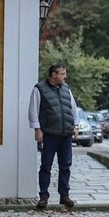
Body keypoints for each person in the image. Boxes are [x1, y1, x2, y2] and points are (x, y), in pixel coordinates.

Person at [29, 63, 81, 209]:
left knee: (66, 166)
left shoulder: (66, 89)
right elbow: (33, 109)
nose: (65, 77)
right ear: (54, 75)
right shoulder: (39, 88)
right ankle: (43, 196)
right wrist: (37, 129)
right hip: (50, 134)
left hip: (65, 134)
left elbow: (73, 107)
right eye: (63, 74)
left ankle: (64, 195)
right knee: (46, 165)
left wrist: (75, 126)